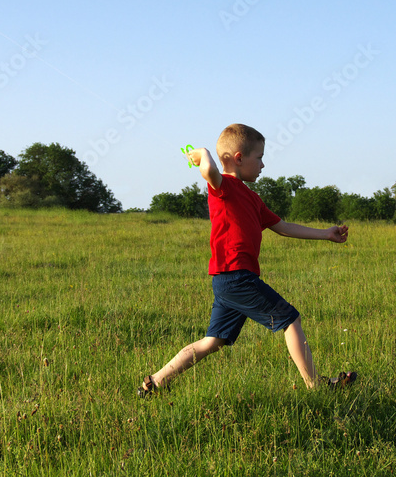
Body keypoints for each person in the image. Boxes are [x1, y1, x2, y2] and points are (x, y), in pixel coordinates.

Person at [138, 123, 357, 396]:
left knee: (212, 342)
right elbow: (208, 170)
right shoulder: (224, 187)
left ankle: (154, 382)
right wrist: (203, 152)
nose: (263, 165)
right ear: (239, 158)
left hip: (229, 280)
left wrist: (326, 234)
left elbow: (284, 227)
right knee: (290, 320)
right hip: (236, 277)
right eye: (260, 157)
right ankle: (316, 387)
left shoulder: (253, 199)